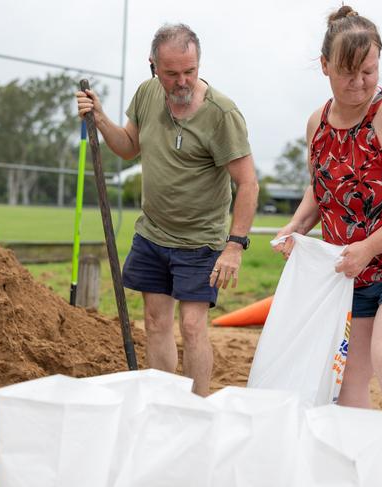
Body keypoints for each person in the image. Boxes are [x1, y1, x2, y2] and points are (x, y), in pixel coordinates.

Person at [274, 6, 382, 413]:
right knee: (349, 373)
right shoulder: (318, 122)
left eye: (369, 70)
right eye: (348, 71)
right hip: (353, 267)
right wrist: (297, 224)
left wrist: (369, 247)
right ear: (324, 66)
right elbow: (324, 186)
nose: (359, 82)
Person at [76, 23, 258, 396]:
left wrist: (235, 246)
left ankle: (196, 410)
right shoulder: (146, 94)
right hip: (153, 234)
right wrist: (99, 117)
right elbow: (128, 146)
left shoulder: (221, 114)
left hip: (200, 242)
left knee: (192, 327)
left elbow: (248, 183)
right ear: (153, 67)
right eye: (172, 73)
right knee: (157, 323)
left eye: (189, 71)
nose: (182, 81)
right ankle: (162, 402)